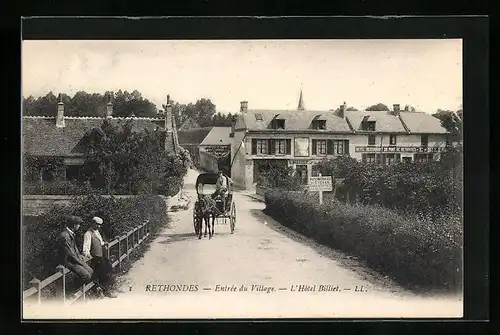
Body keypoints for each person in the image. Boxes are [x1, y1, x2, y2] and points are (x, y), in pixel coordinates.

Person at [83, 216, 117, 298]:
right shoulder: (88, 233)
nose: (98, 226)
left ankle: (106, 290)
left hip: (101, 257)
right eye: (97, 224)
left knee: (108, 271)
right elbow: (86, 247)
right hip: (95, 258)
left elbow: (100, 242)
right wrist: (87, 254)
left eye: (100, 225)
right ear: (93, 223)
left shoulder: (97, 232)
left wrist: (104, 243)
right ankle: (101, 292)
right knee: (99, 275)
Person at [55, 216, 94, 286]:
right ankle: (73, 293)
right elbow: (70, 254)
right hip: (67, 261)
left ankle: (80, 291)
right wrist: (81, 263)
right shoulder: (65, 236)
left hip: (73, 260)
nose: (79, 226)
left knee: (91, 271)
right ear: (74, 225)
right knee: (86, 276)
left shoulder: (70, 233)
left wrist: (79, 256)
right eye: (79, 224)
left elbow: (74, 249)